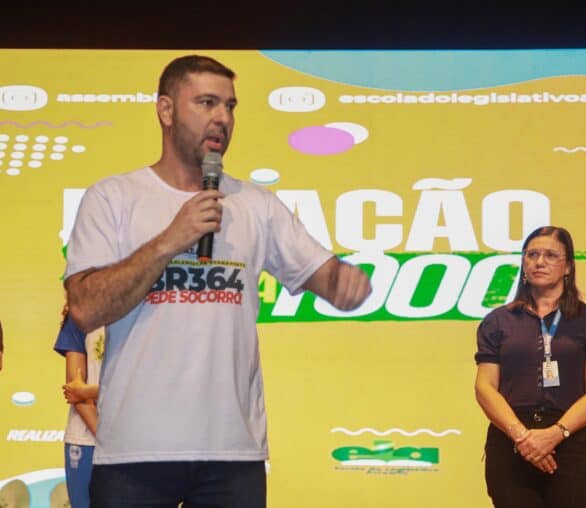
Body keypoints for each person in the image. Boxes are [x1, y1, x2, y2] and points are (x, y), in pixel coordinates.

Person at [64, 54, 372, 508]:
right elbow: (86, 308)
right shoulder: (113, 198)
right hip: (135, 451)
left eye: (230, 106)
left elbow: (325, 277)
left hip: (232, 453)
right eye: (206, 103)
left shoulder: (256, 205)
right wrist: (171, 239)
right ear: (166, 110)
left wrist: (345, 284)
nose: (222, 118)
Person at [474, 226, 586, 508]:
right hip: (511, 440)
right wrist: (523, 437)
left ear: (568, 266)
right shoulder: (497, 321)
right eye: (532, 255)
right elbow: (484, 387)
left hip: (570, 439)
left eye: (550, 255)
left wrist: (554, 434)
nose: (539, 262)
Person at [54, 309, 104, 508]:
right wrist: (106, 437)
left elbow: (141, 388)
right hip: (85, 438)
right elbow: (74, 388)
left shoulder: (145, 312)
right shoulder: (79, 315)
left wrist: (88, 391)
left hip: (133, 441)